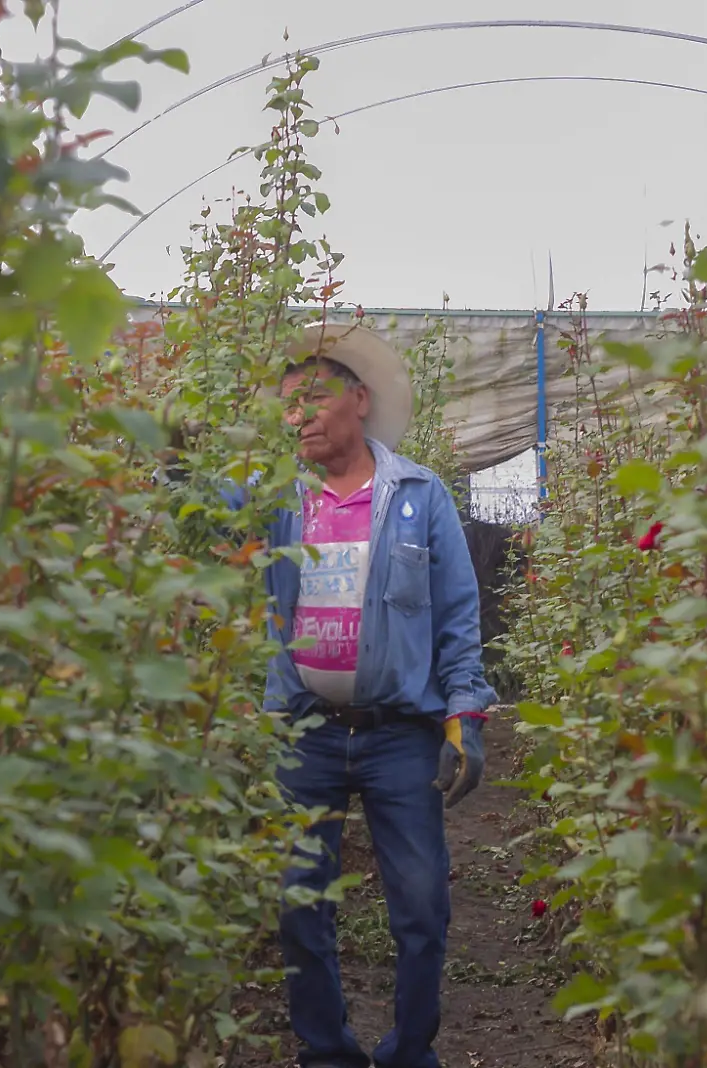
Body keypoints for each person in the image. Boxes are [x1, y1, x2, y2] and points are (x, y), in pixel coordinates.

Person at [250, 321, 498, 1068]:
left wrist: (465, 711)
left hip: (398, 733)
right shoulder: (280, 503)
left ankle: (409, 1051)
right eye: (287, 406)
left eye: (314, 398)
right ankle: (325, 1051)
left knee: (421, 905)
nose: (299, 416)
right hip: (305, 731)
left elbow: (458, 612)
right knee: (300, 902)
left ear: (358, 401)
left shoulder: (419, 496)